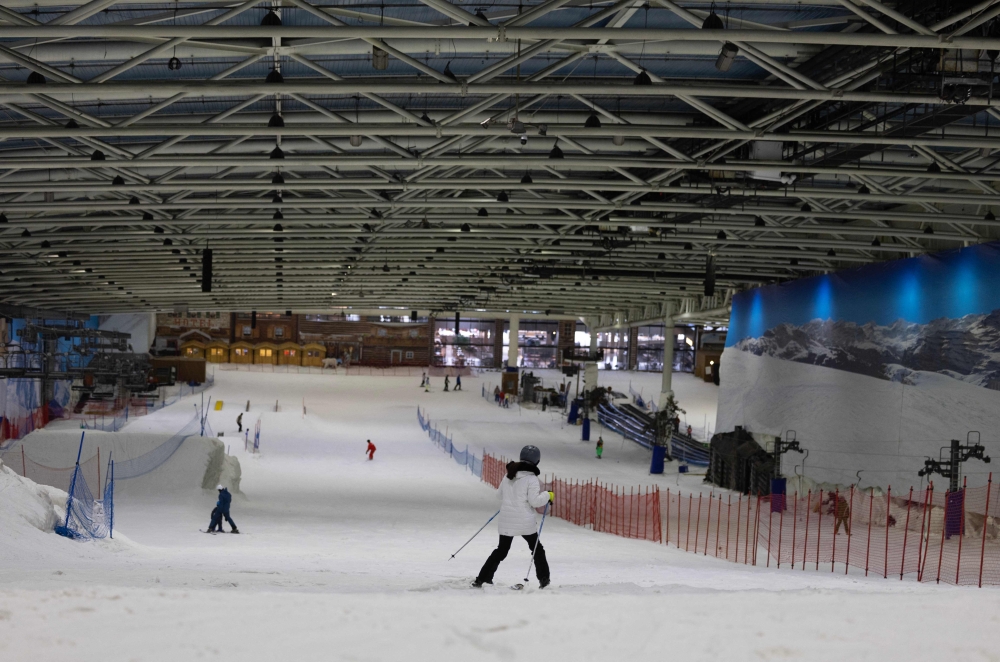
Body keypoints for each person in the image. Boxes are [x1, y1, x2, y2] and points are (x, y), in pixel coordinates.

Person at [473, 445, 553, 588]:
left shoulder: (509, 474)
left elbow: (499, 495)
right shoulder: (531, 478)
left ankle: (482, 579)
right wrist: (548, 495)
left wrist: (512, 497)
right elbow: (535, 501)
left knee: (501, 551)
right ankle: (544, 579)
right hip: (525, 522)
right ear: (537, 461)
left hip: (506, 521)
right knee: (537, 549)